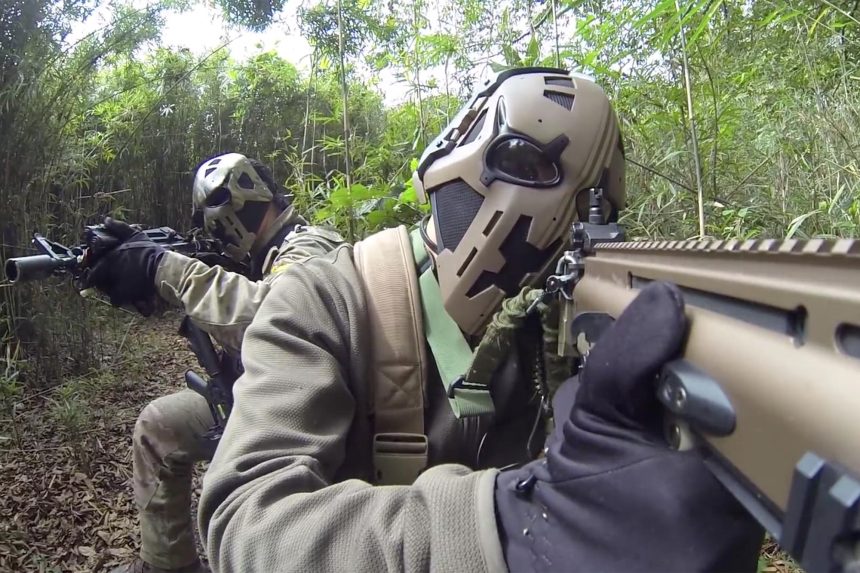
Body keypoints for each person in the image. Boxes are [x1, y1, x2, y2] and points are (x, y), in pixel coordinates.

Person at [196, 67, 762, 570]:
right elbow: (248, 521)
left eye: (586, 203)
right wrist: (507, 528)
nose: (536, 217)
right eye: (523, 162)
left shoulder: (557, 326)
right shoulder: (324, 298)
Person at [82, 153, 342, 573]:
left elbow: (269, 316)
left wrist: (163, 267)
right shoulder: (254, 258)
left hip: (313, 410)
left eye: (218, 209)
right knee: (159, 426)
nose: (217, 225)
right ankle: (167, 565)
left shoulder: (310, 244)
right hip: (260, 395)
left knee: (242, 512)